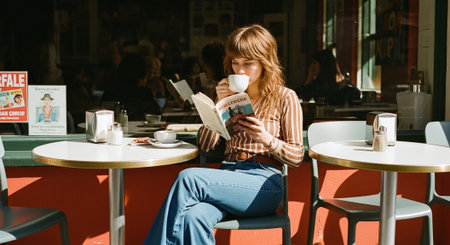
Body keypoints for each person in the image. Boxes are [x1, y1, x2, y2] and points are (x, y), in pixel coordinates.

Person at [143, 24, 304, 245]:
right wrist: (218, 106)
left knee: (189, 177)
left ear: (265, 62)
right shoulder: (229, 94)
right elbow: (207, 145)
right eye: (235, 64)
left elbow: (296, 157)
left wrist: (267, 139)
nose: (239, 71)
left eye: (248, 64)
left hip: (263, 182)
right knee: (194, 217)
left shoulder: (286, 97)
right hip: (227, 174)